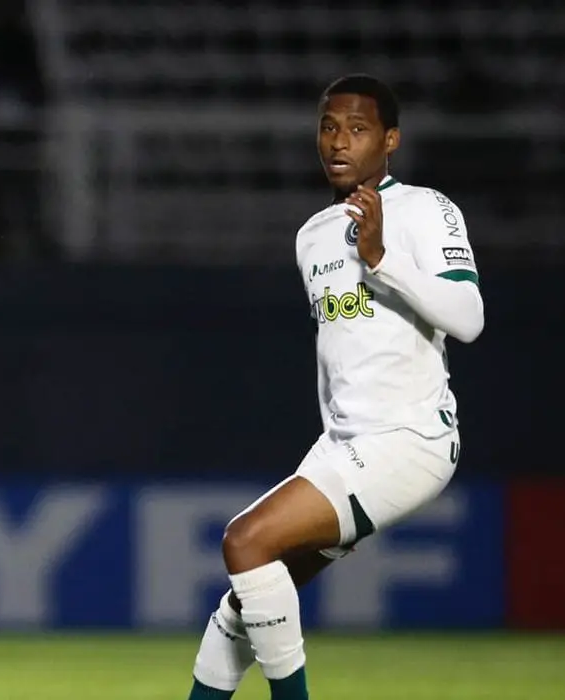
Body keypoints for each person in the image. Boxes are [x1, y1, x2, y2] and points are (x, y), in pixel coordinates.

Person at [185, 74, 485, 700]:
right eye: (328, 127)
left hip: (409, 440)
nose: (338, 142)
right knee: (248, 602)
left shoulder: (427, 209)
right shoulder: (314, 234)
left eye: (357, 128)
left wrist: (382, 260)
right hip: (345, 443)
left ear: (391, 140)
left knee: (245, 541)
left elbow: (469, 319)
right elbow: (341, 351)